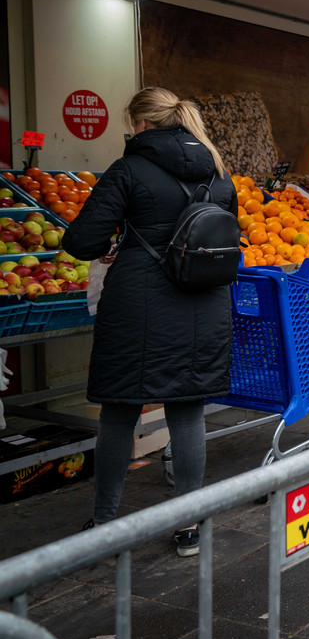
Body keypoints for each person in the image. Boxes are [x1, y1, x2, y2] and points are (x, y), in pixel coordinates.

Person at [64, 88, 237, 556]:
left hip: (139, 304)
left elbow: (82, 240)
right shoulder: (220, 175)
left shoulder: (128, 170)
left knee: (120, 411)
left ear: (141, 124)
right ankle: (187, 528)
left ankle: (104, 523)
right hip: (204, 302)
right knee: (187, 410)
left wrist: (116, 240)